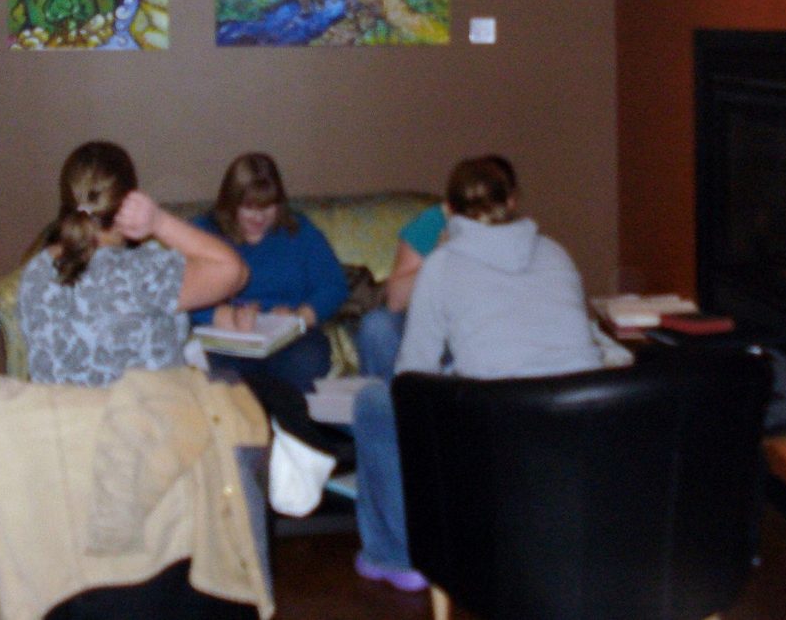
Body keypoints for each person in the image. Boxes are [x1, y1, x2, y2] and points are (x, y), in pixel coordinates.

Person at [352, 155, 601, 594]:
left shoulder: (442, 265)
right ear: (513, 201)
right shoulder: (555, 251)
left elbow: (412, 377)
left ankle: (396, 555)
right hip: (578, 420)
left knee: (373, 403)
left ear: (449, 210)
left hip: (496, 426)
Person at [18, 140, 248, 387]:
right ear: (128, 199)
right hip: (146, 409)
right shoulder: (141, 272)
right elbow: (236, 271)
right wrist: (158, 221)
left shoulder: (35, 270)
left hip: (61, 410)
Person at [192, 152, 349, 396]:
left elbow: (334, 285)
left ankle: (286, 415)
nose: (259, 217)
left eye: (267, 206)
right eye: (248, 207)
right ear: (231, 203)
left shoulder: (299, 230)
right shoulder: (204, 232)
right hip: (228, 339)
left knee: (306, 360)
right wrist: (220, 315)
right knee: (223, 374)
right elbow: (175, 290)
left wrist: (300, 317)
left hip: (288, 339)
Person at [354, 155, 518, 378]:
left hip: (483, 333)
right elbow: (395, 301)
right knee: (377, 326)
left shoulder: (519, 240)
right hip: (427, 328)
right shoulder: (433, 223)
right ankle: (392, 397)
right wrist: (440, 256)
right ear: (451, 205)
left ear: (509, 204)